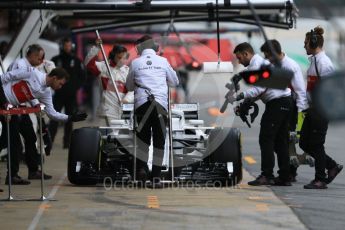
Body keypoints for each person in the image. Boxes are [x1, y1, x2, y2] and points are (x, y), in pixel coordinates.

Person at [0, 67, 87, 185]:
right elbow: (6, 77)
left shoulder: (46, 92)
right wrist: (3, 99)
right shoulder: (31, 72)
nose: (60, 87)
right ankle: (12, 176)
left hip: (12, 109)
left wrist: (70, 118)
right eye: (60, 84)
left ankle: (12, 176)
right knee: (12, 141)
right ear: (54, 78)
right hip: (3, 103)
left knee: (13, 141)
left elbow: (52, 113)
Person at [232, 42, 292, 186]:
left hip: (277, 103)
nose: (239, 62)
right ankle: (284, 177)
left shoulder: (256, 66)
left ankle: (267, 175)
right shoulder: (261, 63)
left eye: (240, 58)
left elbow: (259, 89)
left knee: (266, 139)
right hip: (285, 101)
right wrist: (246, 102)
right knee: (280, 141)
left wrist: (239, 97)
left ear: (246, 54)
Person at [126, 35, 179, 188]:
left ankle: (142, 169)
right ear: (155, 47)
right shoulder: (163, 61)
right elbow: (175, 82)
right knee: (159, 142)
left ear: (140, 48)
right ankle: (156, 177)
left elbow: (129, 86)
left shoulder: (135, 63)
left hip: (142, 105)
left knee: (142, 140)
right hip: (160, 105)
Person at [260, 39, 309, 182]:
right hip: (283, 105)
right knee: (281, 141)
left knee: (286, 141)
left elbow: (300, 92)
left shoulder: (291, 66)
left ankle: (290, 172)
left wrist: (300, 115)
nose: (266, 59)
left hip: (291, 108)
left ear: (275, 53)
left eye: (268, 55)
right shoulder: (272, 64)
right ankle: (287, 172)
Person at [300, 26, 343, 189]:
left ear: (313, 43)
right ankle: (331, 166)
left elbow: (331, 88)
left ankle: (320, 179)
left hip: (320, 111)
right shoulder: (314, 62)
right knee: (304, 143)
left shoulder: (323, 63)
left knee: (316, 145)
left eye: (306, 43)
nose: (304, 46)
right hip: (311, 110)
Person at [7, 44, 55, 180]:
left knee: (30, 137)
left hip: (22, 107)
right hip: (12, 107)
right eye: (40, 58)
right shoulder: (20, 65)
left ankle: (33, 170)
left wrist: (36, 104)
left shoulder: (30, 68)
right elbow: (22, 87)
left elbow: (29, 91)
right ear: (33, 56)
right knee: (11, 142)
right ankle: (12, 175)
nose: (41, 61)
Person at [84, 39, 134, 125]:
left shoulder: (128, 71)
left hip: (125, 109)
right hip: (107, 111)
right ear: (113, 55)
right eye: (119, 57)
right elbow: (88, 64)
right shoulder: (103, 67)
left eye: (124, 57)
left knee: (124, 136)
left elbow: (132, 90)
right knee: (109, 136)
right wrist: (96, 48)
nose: (122, 60)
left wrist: (127, 100)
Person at [50, 37, 86, 149]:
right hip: (58, 94)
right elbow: (50, 75)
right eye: (65, 46)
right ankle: (49, 141)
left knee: (69, 119)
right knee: (54, 118)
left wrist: (75, 87)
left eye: (69, 46)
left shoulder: (76, 60)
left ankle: (67, 142)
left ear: (72, 47)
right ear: (62, 46)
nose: (67, 48)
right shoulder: (55, 60)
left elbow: (83, 76)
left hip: (71, 95)